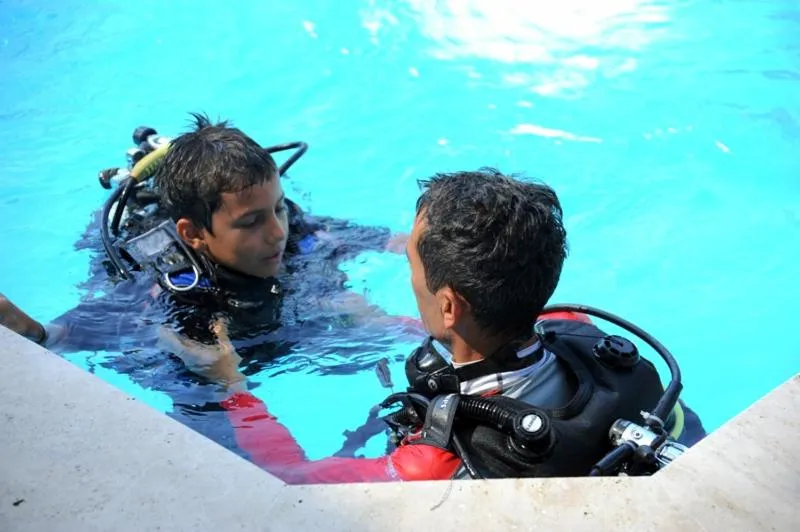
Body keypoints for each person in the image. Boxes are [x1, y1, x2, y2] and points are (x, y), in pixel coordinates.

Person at [178, 167, 707, 484]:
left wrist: (232, 387)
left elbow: (286, 481)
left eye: (412, 263)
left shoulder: (430, 465)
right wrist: (384, 325)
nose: (411, 276)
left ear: (449, 306)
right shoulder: (585, 333)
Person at [0, 112, 420, 457]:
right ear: (193, 234)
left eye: (278, 208)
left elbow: (383, 241)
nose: (277, 233)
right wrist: (29, 331)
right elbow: (59, 337)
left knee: (352, 310)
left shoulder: (289, 226)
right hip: (208, 348)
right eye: (251, 222)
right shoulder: (168, 294)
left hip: (273, 320)